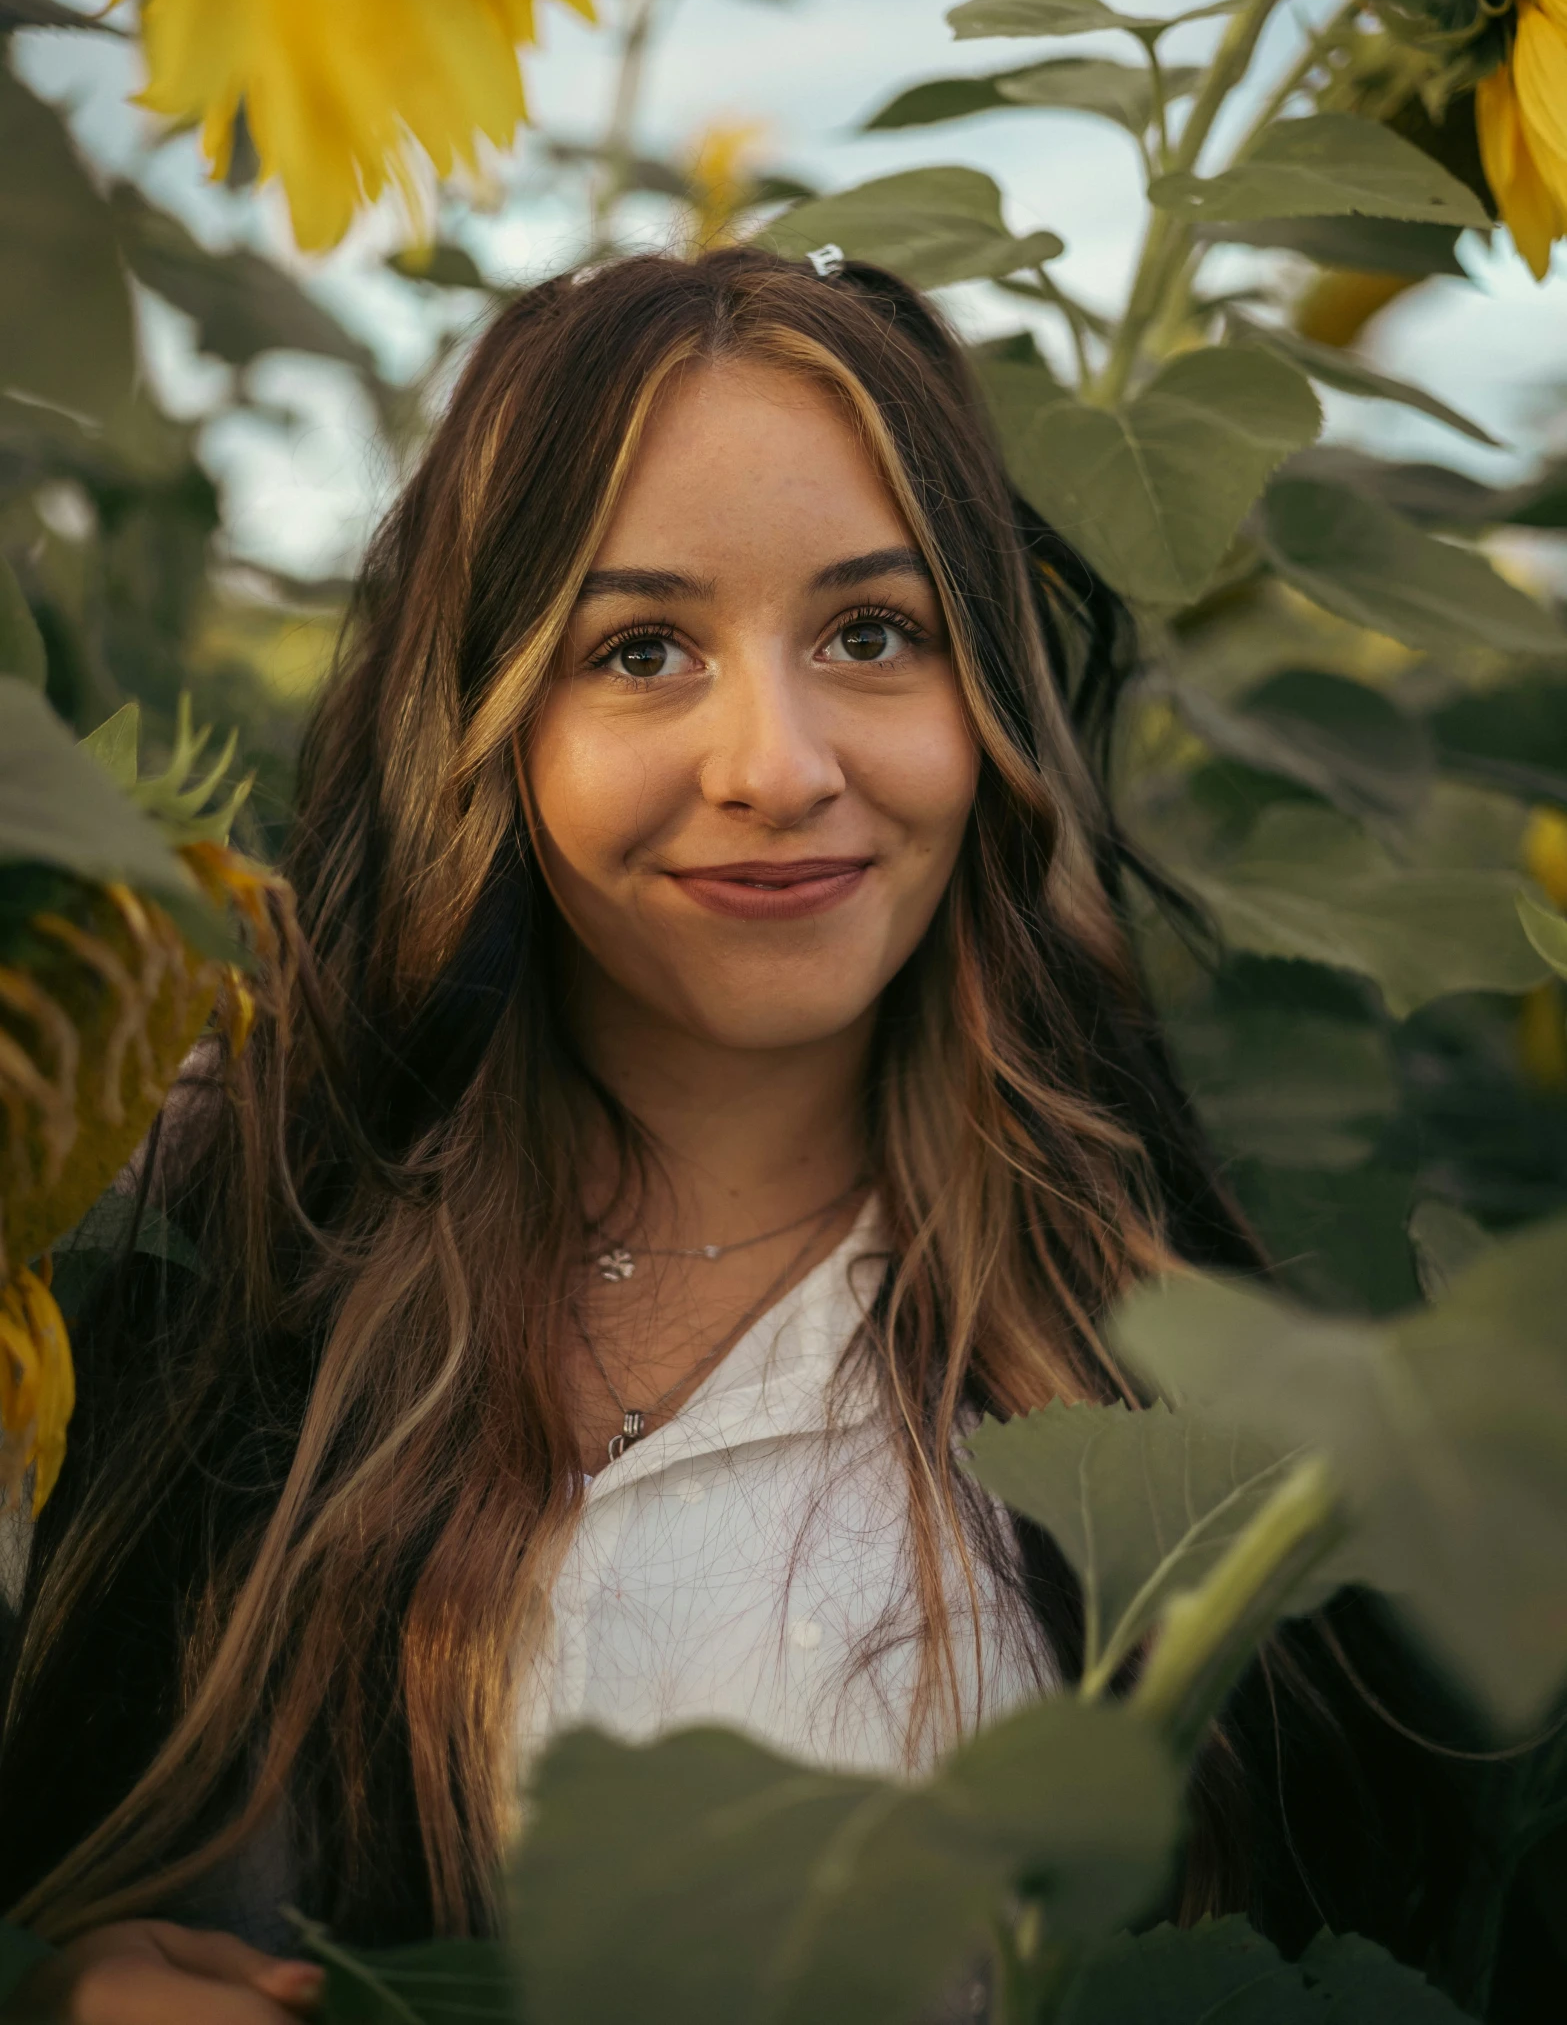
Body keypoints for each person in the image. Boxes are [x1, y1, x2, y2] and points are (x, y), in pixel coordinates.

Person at [0, 250, 1264, 2020]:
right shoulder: (196, 1204)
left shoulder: (1166, 1376)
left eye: (870, 632)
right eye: (642, 648)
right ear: (493, 714)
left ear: (985, 698)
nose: (778, 764)